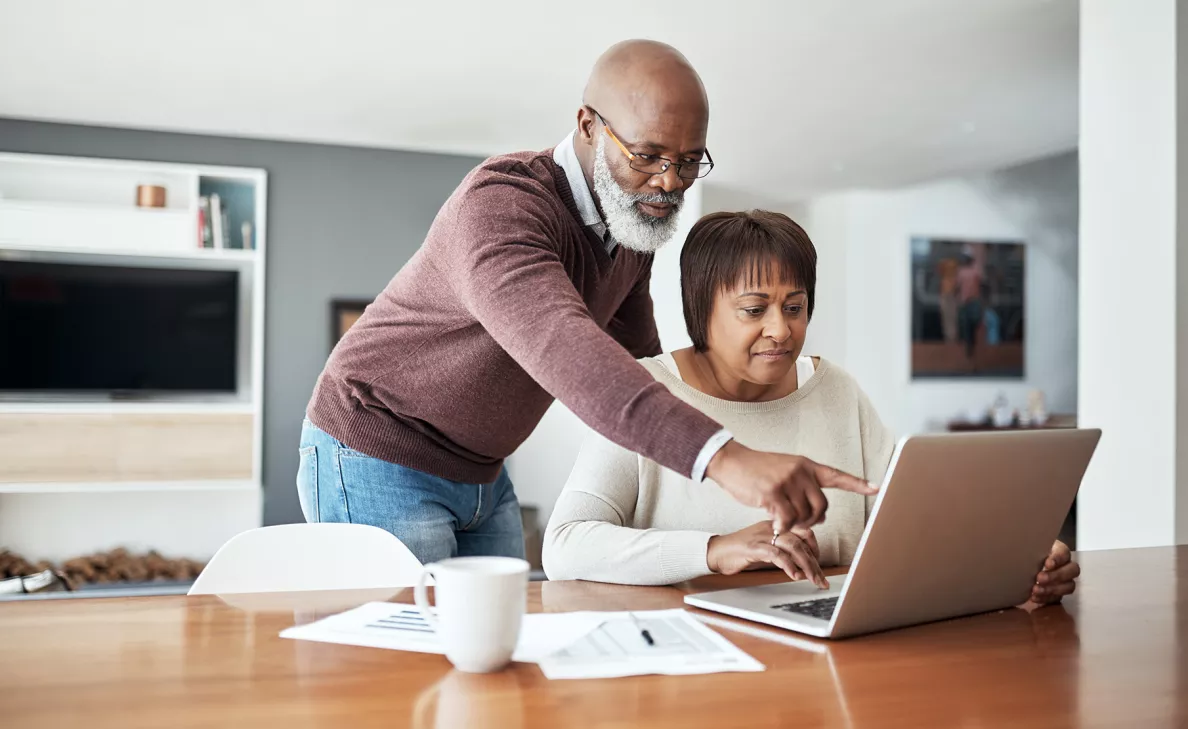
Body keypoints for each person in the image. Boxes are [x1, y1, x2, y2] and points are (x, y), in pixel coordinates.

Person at [297, 41, 875, 565]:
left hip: (483, 474)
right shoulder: (501, 207)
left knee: (495, 657)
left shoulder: (630, 229)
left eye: (689, 161)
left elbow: (644, 361)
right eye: (648, 156)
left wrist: (747, 403)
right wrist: (727, 458)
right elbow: (571, 354)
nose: (669, 183)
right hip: (377, 450)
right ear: (588, 125)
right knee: (404, 664)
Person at [543, 210, 1079, 606]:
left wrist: (1016, 563)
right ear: (699, 312)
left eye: (795, 308)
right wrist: (715, 550)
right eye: (754, 310)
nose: (781, 330)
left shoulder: (836, 391)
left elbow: (915, 524)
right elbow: (564, 546)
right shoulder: (642, 392)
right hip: (690, 658)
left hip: (829, 641)